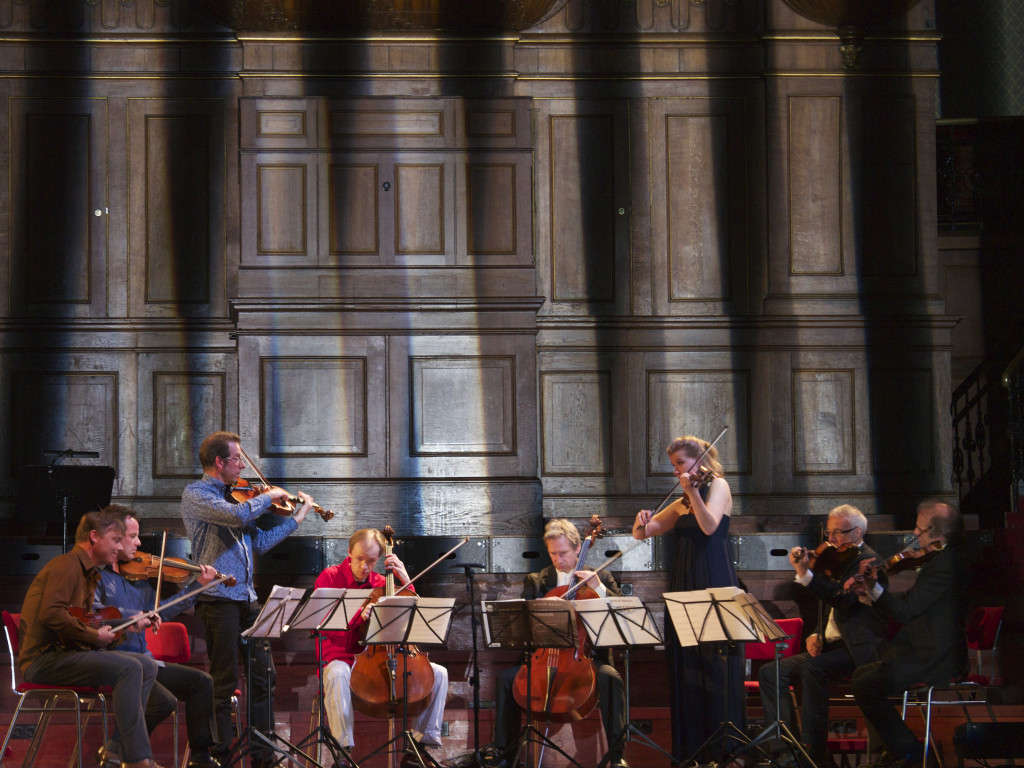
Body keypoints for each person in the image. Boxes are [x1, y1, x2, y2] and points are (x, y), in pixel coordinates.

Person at [181, 430, 315, 768]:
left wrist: (297, 518)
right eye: (238, 459)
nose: (243, 465)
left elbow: (258, 544)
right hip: (217, 599)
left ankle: (262, 755)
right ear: (219, 462)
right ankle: (220, 755)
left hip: (247, 598)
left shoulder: (236, 495)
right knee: (223, 681)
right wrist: (269, 498)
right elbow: (236, 516)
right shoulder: (197, 494)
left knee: (263, 676)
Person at [17, 508, 165, 768]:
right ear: (94, 536)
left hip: (69, 654)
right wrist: (93, 636)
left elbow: (85, 625)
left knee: (147, 664)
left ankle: (120, 750)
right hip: (45, 660)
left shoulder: (90, 574)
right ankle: (137, 759)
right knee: (130, 667)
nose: (119, 548)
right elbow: (52, 614)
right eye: (116, 540)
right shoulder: (66, 565)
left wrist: (118, 632)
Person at [632, 435, 743, 762]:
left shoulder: (718, 486)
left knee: (715, 664)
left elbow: (709, 527)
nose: (676, 470)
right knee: (688, 667)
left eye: (680, 463)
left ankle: (722, 751)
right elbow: (645, 532)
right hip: (683, 583)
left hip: (713, 578)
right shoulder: (683, 499)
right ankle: (691, 751)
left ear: (700, 460)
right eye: (674, 465)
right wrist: (639, 521)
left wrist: (692, 491)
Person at [758, 504, 889, 767]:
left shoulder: (869, 562)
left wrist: (805, 574)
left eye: (838, 533)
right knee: (770, 672)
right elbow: (828, 607)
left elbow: (843, 601)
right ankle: (785, 750)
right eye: (828, 533)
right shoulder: (836, 559)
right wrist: (817, 633)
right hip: (832, 647)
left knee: (812, 668)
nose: (830, 540)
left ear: (859, 531)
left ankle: (812, 752)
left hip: (857, 649)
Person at [492, 518, 628, 768]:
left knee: (611, 677)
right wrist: (541, 611)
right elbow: (521, 630)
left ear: (578, 548)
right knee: (506, 679)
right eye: (553, 553)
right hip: (543, 661)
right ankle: (504, 755)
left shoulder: (602, 577)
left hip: (587, 661)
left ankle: (617, 755)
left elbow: (620, 616)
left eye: (563, 553)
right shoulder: (537, 581)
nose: (558, 559)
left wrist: (598, 589)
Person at [92, 504, 221, 768]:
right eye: (132, 536)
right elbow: (96, 617)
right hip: (116, 662)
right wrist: (132, 616)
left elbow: (162, 612)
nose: (139, 543)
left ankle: (200, 758)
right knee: (163, 702)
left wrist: (198, 586)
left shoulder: (138, 579)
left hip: (145, 662)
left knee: (201, 682)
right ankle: (124, 754)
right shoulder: (96, 578)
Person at [846, 500, 968, 768]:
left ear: (935, 533)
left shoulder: (945, 563)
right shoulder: (942, 558)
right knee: (862, 676)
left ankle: (909, 752)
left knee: (865, 684)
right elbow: (913, 599)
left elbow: (906, 611)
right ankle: (894, 751)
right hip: (924, 650)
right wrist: (871, 594)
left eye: (919, 528)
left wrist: (875, 589)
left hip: (936, 658)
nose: (914, 533)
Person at [314, 528, 449, 766]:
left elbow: (410, 618)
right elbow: (327, 629)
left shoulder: (381, 583)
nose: (365, 567)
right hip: (343, 659)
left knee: (439, 673)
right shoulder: (330, 577)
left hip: (380, 662)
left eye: (371, 561)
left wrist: (406, 580)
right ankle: (343, 753)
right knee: (336, 673)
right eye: (359, 559)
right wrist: (359, 615)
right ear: (349, 553)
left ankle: (417, 749)